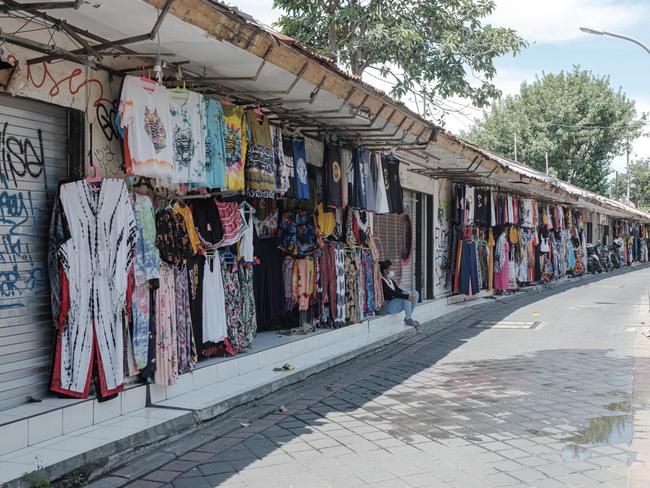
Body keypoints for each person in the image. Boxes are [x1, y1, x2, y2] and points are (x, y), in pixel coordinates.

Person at [379, 260, 420, 328]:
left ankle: (408, 318)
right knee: (406, 296)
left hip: (395, 304)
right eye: (390, 269)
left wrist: (409, 295)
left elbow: (398, 290)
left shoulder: (390, 280)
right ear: (385, 270)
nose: (392, 271)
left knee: (415, 293)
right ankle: (408, 319)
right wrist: (406, 296)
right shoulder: (381, 281)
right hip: (388, 306)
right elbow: (392, 293)